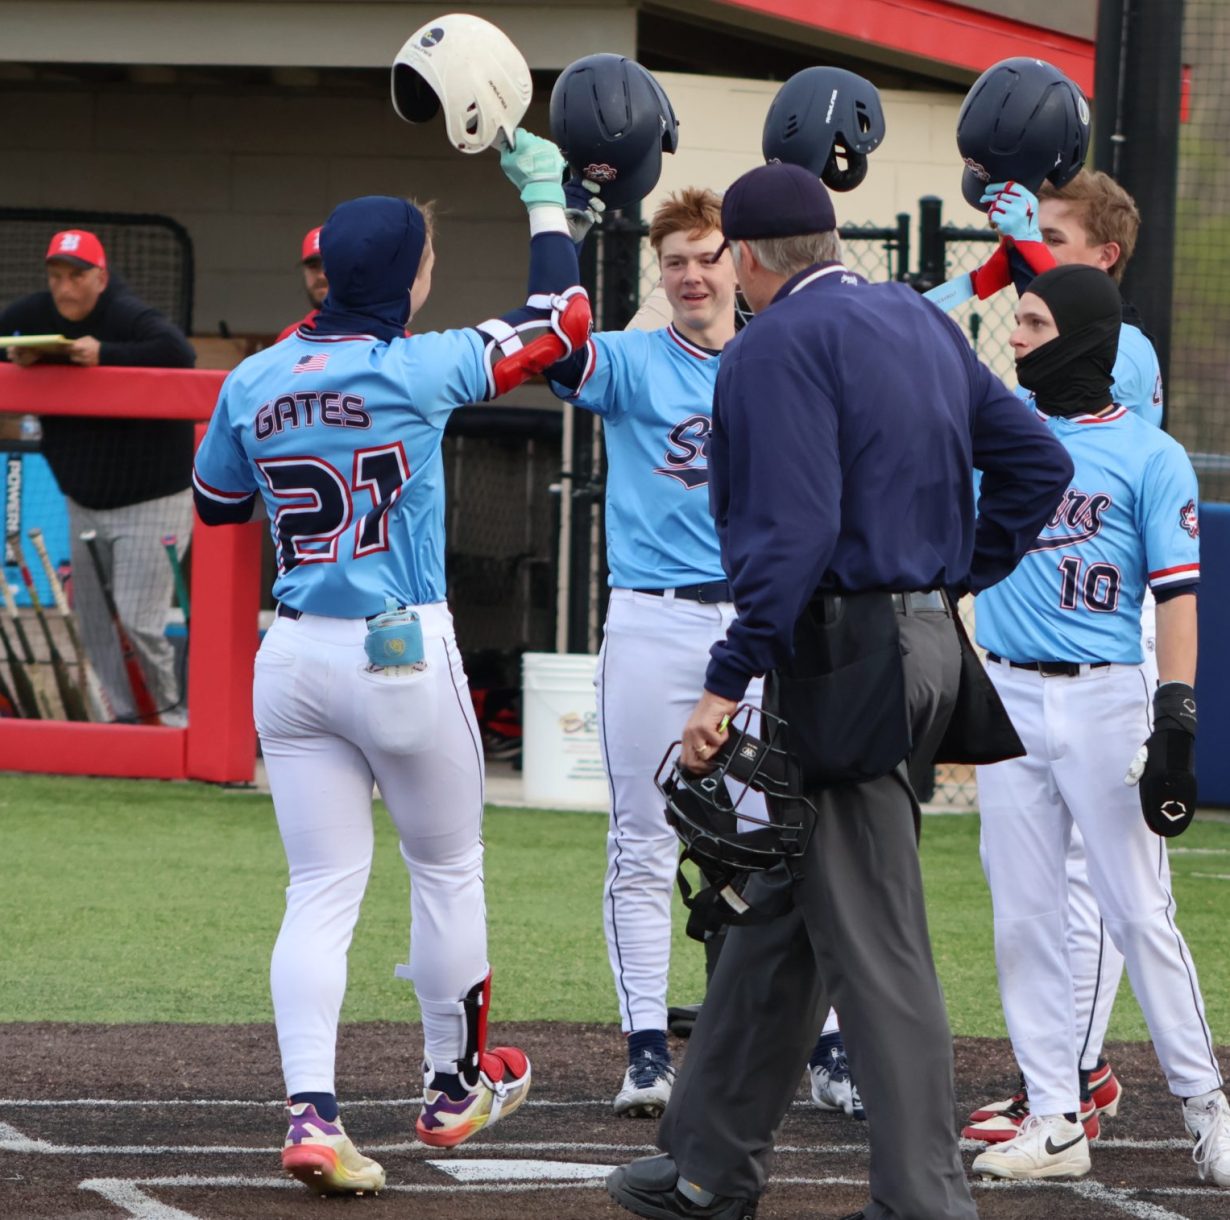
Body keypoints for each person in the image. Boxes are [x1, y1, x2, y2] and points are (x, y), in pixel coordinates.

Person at [606, 161, 1074, 1220]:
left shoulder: (770, 344)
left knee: (877, 943)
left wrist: (723, 682)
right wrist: (952, 574)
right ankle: (704, 1163)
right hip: (921, 644)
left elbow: (795, 534)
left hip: (846, 656)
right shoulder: (915, 319)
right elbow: (1038, 463)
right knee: (779, 907)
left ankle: (923, 1199)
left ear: (748, 257)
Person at [191, 130, 590, 1196]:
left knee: (320, 887)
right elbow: (563, 320)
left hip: (293, 652)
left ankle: (312, 1112)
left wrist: (298, 405)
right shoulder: (416, 363)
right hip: (400, 651)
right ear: (404, 275)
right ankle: (453, 1084)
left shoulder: (255, 374)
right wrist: (545, 200)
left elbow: (219, 505)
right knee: (446, 867)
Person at [968, 263, 1229, 1187]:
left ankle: (1208, 1109)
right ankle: (1055, 1117)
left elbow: (1177, 599)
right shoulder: (1000, 428)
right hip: (1005, 695)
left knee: (1139, 913)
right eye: (1018, 320)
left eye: (1036, 323)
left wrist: (1176, 715)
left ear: (1084, 336)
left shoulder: (1150, 454)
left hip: (1104, 697)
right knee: (1024, 919)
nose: (1019, 337)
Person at [549, 187, 769, 1118]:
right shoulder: (635, 360)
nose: (690, 275)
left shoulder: (777, 355)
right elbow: (555, 348)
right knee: (642, 839)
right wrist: (560, 223)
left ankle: (823, 1045)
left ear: (739, 261)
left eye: (707, 256)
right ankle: (646, 1050)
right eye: (673, 259)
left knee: (781, 839)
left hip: (759, 621)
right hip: (653, 617)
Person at [963, 169, 1164, 1143]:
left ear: (1104, 257)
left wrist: (1023, 256)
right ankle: (1068, 1074)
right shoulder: (1040, 330)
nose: (1029, 246)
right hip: (1036, 637)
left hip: (1108, 630)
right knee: (1034, 886)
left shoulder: (1127, 348)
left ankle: (1076, 1076)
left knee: (1097, 878)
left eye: (1051, 234)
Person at [0, 229, 196, 725]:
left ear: (101, 278)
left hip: (153, 498)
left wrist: (104, 354)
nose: (64, 288)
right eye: (56, 276)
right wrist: (19, 359)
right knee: (91, 625)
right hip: (83, 500)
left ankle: (172, 722)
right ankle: (122, 724)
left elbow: (179, 353)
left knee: (137, 620)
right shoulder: (35, 313)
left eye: (76, 276)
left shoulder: (126, 313)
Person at [275, 226, 328, 342]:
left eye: (328, 264)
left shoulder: (367, 333)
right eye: (313, 266)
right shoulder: (290, 337)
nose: (321, 276)